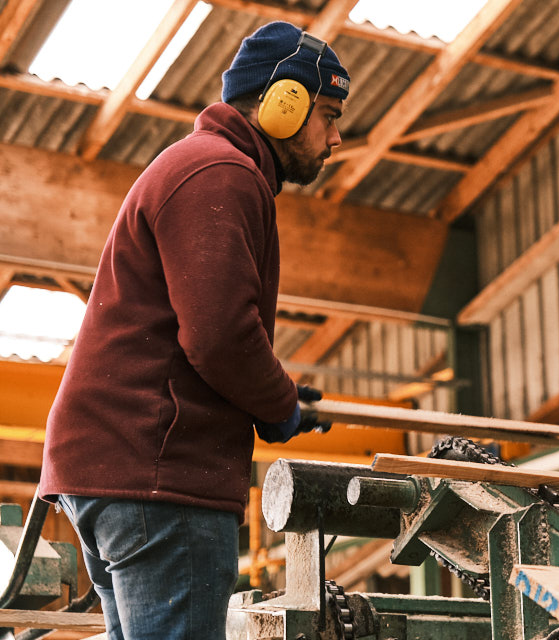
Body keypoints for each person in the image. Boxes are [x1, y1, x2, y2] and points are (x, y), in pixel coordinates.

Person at [37, 21, 349, 639]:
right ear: (281, 103)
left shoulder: (205, 168)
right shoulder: (220, 173)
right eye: (328, 114)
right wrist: (279, 402)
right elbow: (219, 335)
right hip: (160, 481)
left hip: (122, 472)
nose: (336, 138)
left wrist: (277, 399)